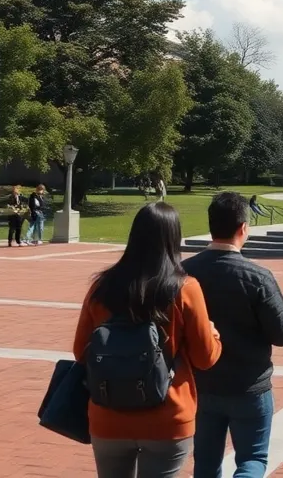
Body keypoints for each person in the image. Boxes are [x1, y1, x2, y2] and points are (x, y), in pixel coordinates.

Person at [73, 202, 222, 477]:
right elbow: (204, 358)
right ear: (173, 238)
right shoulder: (185, 288)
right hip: (167, 414)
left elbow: (81, 351)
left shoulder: (102, 285)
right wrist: (214, 334)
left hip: (108, 413)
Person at [183, 192, 283, 478]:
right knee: (252, 459)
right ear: (243, 228)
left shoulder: (183, 272)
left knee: (205, 463)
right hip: (249, 385)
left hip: (202, 383)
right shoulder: (257, 277)